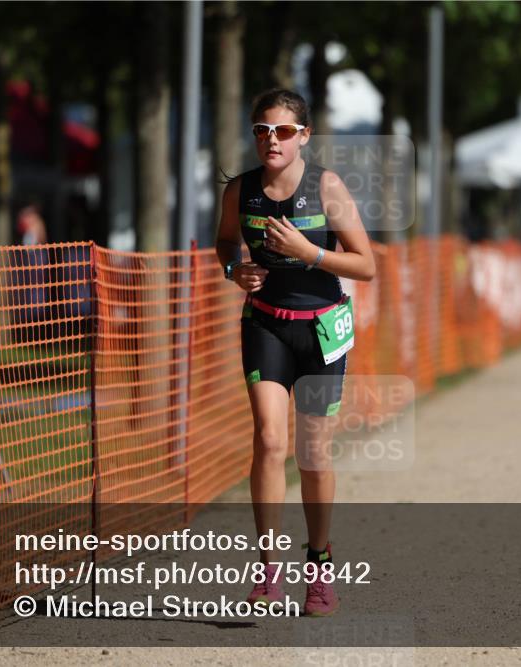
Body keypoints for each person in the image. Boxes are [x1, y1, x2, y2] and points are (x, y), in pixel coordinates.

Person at [215, 88, 375, 617]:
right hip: (265, 325)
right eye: (262, 130)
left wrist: (311, 253)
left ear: (303, 135)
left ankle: (319, 564)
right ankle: (267, 572)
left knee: (313, 451)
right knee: (268, 438)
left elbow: (365, 264)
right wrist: (233, 269)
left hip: (321, 332)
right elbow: (224, 243)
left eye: (283, 131)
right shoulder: (240, 190)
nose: (271, 140)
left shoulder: (325, 186)